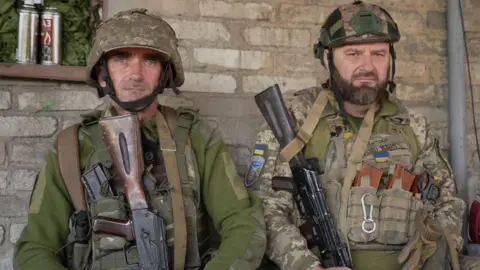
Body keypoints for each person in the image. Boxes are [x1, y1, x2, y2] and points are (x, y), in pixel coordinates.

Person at [13, 8, 266, 270]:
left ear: (164, 74)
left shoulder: (197, 139)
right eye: (122, 59)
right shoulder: (71, 147)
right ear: (102, 73)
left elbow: (243, 224)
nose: (135, 74)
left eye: (149, 61)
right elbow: (34, 249)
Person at [249, 1, 475, 269]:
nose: (367, 66)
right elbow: (265, 208)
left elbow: (448, 204)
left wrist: (431, 257)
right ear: (327, 58)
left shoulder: (413, 126)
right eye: (353, 54)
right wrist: (307, 265)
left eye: (378, 54)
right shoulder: (295, 118)